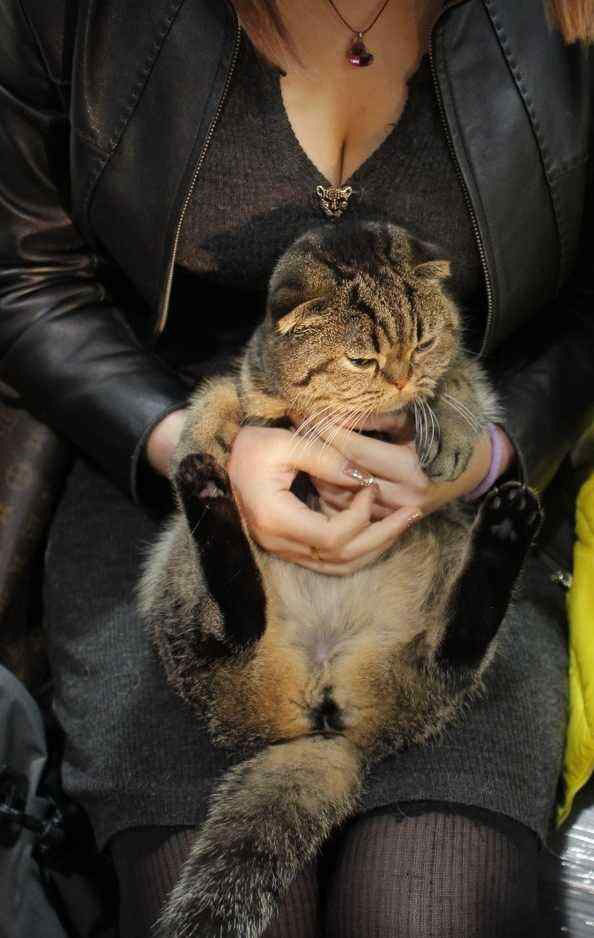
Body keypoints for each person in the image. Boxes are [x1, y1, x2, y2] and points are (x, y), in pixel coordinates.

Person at [0, 0, 592, 935]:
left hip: (466, 496)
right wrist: (196, 447)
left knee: (423, 913)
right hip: (161, 472)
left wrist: (482, 454)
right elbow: (25, 278)